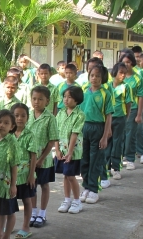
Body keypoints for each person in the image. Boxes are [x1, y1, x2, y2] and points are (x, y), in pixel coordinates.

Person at [79, 65, 113, 205]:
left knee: (96, 160)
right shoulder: (84, 91)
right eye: (92, 75)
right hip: (84, 127)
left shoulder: (106, 94)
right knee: (84, 159)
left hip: (98, 127)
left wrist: (105, 136)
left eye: (98, 76)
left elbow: (109, 115)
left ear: (102, 78)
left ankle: (94, 188)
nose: (94, 78)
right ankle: (86, 186)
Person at [28, 86, 59, 228]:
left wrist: (40, 159)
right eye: (34, 99)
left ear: (47, 101)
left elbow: (52, 140)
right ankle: (33, 212)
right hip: (29, 160)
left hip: (43, 160)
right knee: (31, 185)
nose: (36, 102)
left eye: (40, 99)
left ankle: (42, 213)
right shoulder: (28, 115)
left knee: (44, 185)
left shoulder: (50, 118)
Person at [0, 109, 18, 239]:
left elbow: (14, 165)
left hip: (6, 184)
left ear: (12, 126)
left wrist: (13, 185)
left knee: (9, 211)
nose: (2, 125)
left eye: (6, 123)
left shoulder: (12, 142)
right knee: (1, 211)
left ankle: (7, 238)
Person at [56, 87, 86, 214]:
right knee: (65, 175)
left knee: (71, 176)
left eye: (69, 97)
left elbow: (75, 134)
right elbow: (56, 132)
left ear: (77, 99)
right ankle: (67, 199)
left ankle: (77, 201)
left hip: (73, 151)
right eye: (64, 97)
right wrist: (57, 149)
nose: (66, 99)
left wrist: (69, 152)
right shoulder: (60, 113)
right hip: (62, 150)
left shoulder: (80, 115)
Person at [11, 103, 37, 239]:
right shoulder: (9, 135)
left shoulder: (30, 135)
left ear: (28, 117)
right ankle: (9, 225)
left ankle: (26, 227)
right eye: (16, 115)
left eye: (23, 116)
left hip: (25, 175)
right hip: (11, 176)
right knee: (10, 201)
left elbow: (33, 156)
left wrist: (31, 175)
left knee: (27, 200)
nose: (19, 118)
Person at [106, 63, 132, 181]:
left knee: (117, 143)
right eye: (121, 72)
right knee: (107, 142)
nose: (123, 75)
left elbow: (128, 104)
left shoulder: (126, 87)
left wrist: (126, 117)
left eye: (125, 73)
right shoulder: (107, 86)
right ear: (115, 72)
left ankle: (116, 168)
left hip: (120, 117)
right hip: (108, 118)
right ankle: (106, 166)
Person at [121, 53, 143, 170]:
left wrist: (139, 114)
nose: (126, 64)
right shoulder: (117, 78)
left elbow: (141, 97)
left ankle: (130, 159)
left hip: (132, 109)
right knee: (120, 136)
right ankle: (119, 158)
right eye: (124, 62)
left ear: (132, 63)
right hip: (119, 111)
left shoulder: (138, 78)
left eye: (128, 62)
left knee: (130, 135)